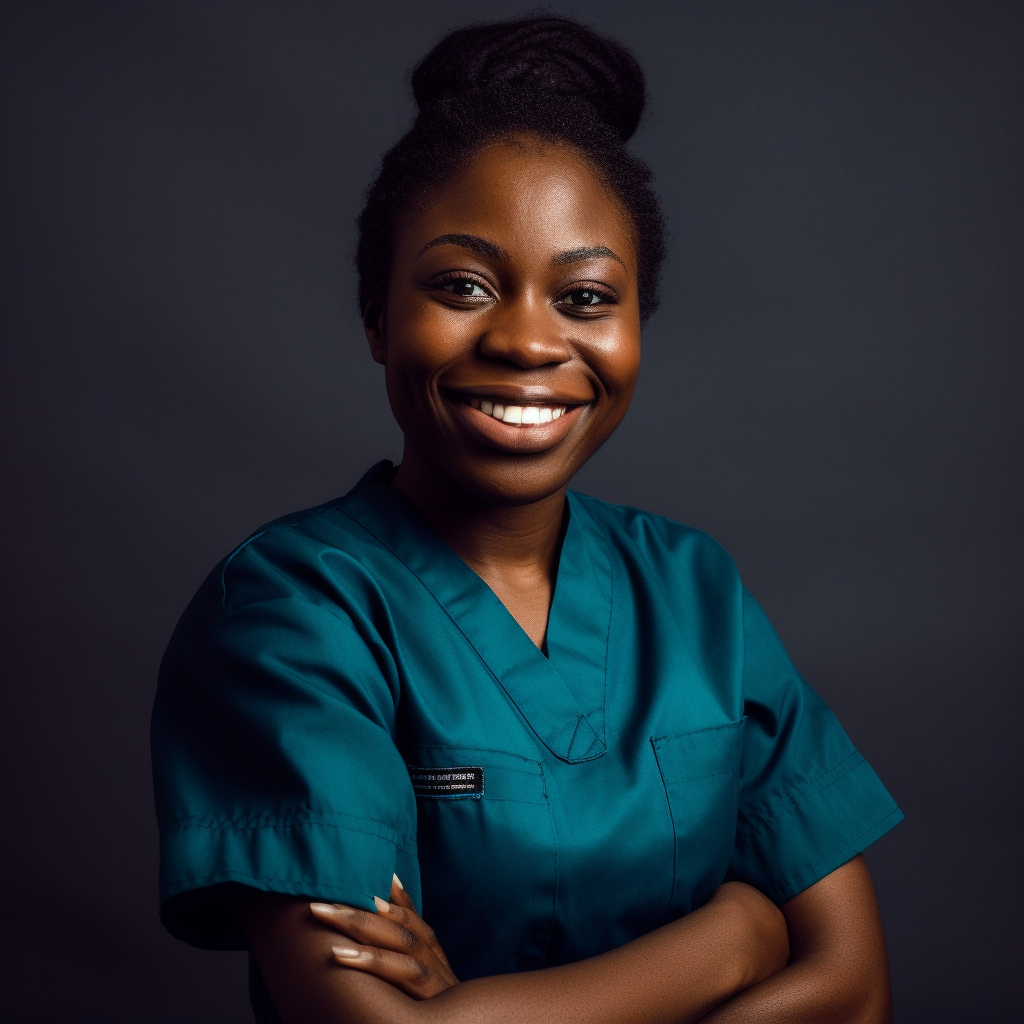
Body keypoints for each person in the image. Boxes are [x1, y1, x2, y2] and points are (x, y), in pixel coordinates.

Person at [151, 16, 902, 1024]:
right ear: (376, 314)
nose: (526, 340)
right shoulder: (292, 612)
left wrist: (482, 1009)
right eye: (462, 285)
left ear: (636, 328)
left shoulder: (694, 589)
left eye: (585, 295)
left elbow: (853, 990)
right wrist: (737, 940)